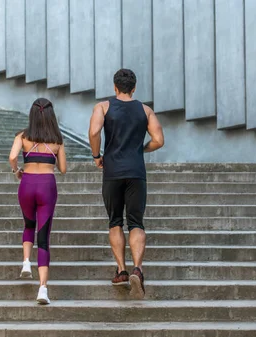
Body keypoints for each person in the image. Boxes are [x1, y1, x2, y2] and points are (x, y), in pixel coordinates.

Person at [88, 69, 165, 299]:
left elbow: (94, 131)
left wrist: (96, 156)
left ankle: (121, 269)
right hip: (136, 172)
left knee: (115, 222)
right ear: (134, 88)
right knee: (136, 223)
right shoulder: (145, 110)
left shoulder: (103, 107)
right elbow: (159, 140)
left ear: (114, 87)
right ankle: (138, 270)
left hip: (112, 170)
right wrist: (141, 149)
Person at [9, 97, 67, 305]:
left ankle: (26, 262)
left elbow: (12, 157)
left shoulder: (22, 136)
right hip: (47, 186)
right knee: (43, 236)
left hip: (27, 184)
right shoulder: (57, 140)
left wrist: (17, 171)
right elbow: (63, 169)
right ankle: (43, 289)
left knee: (28, 224)